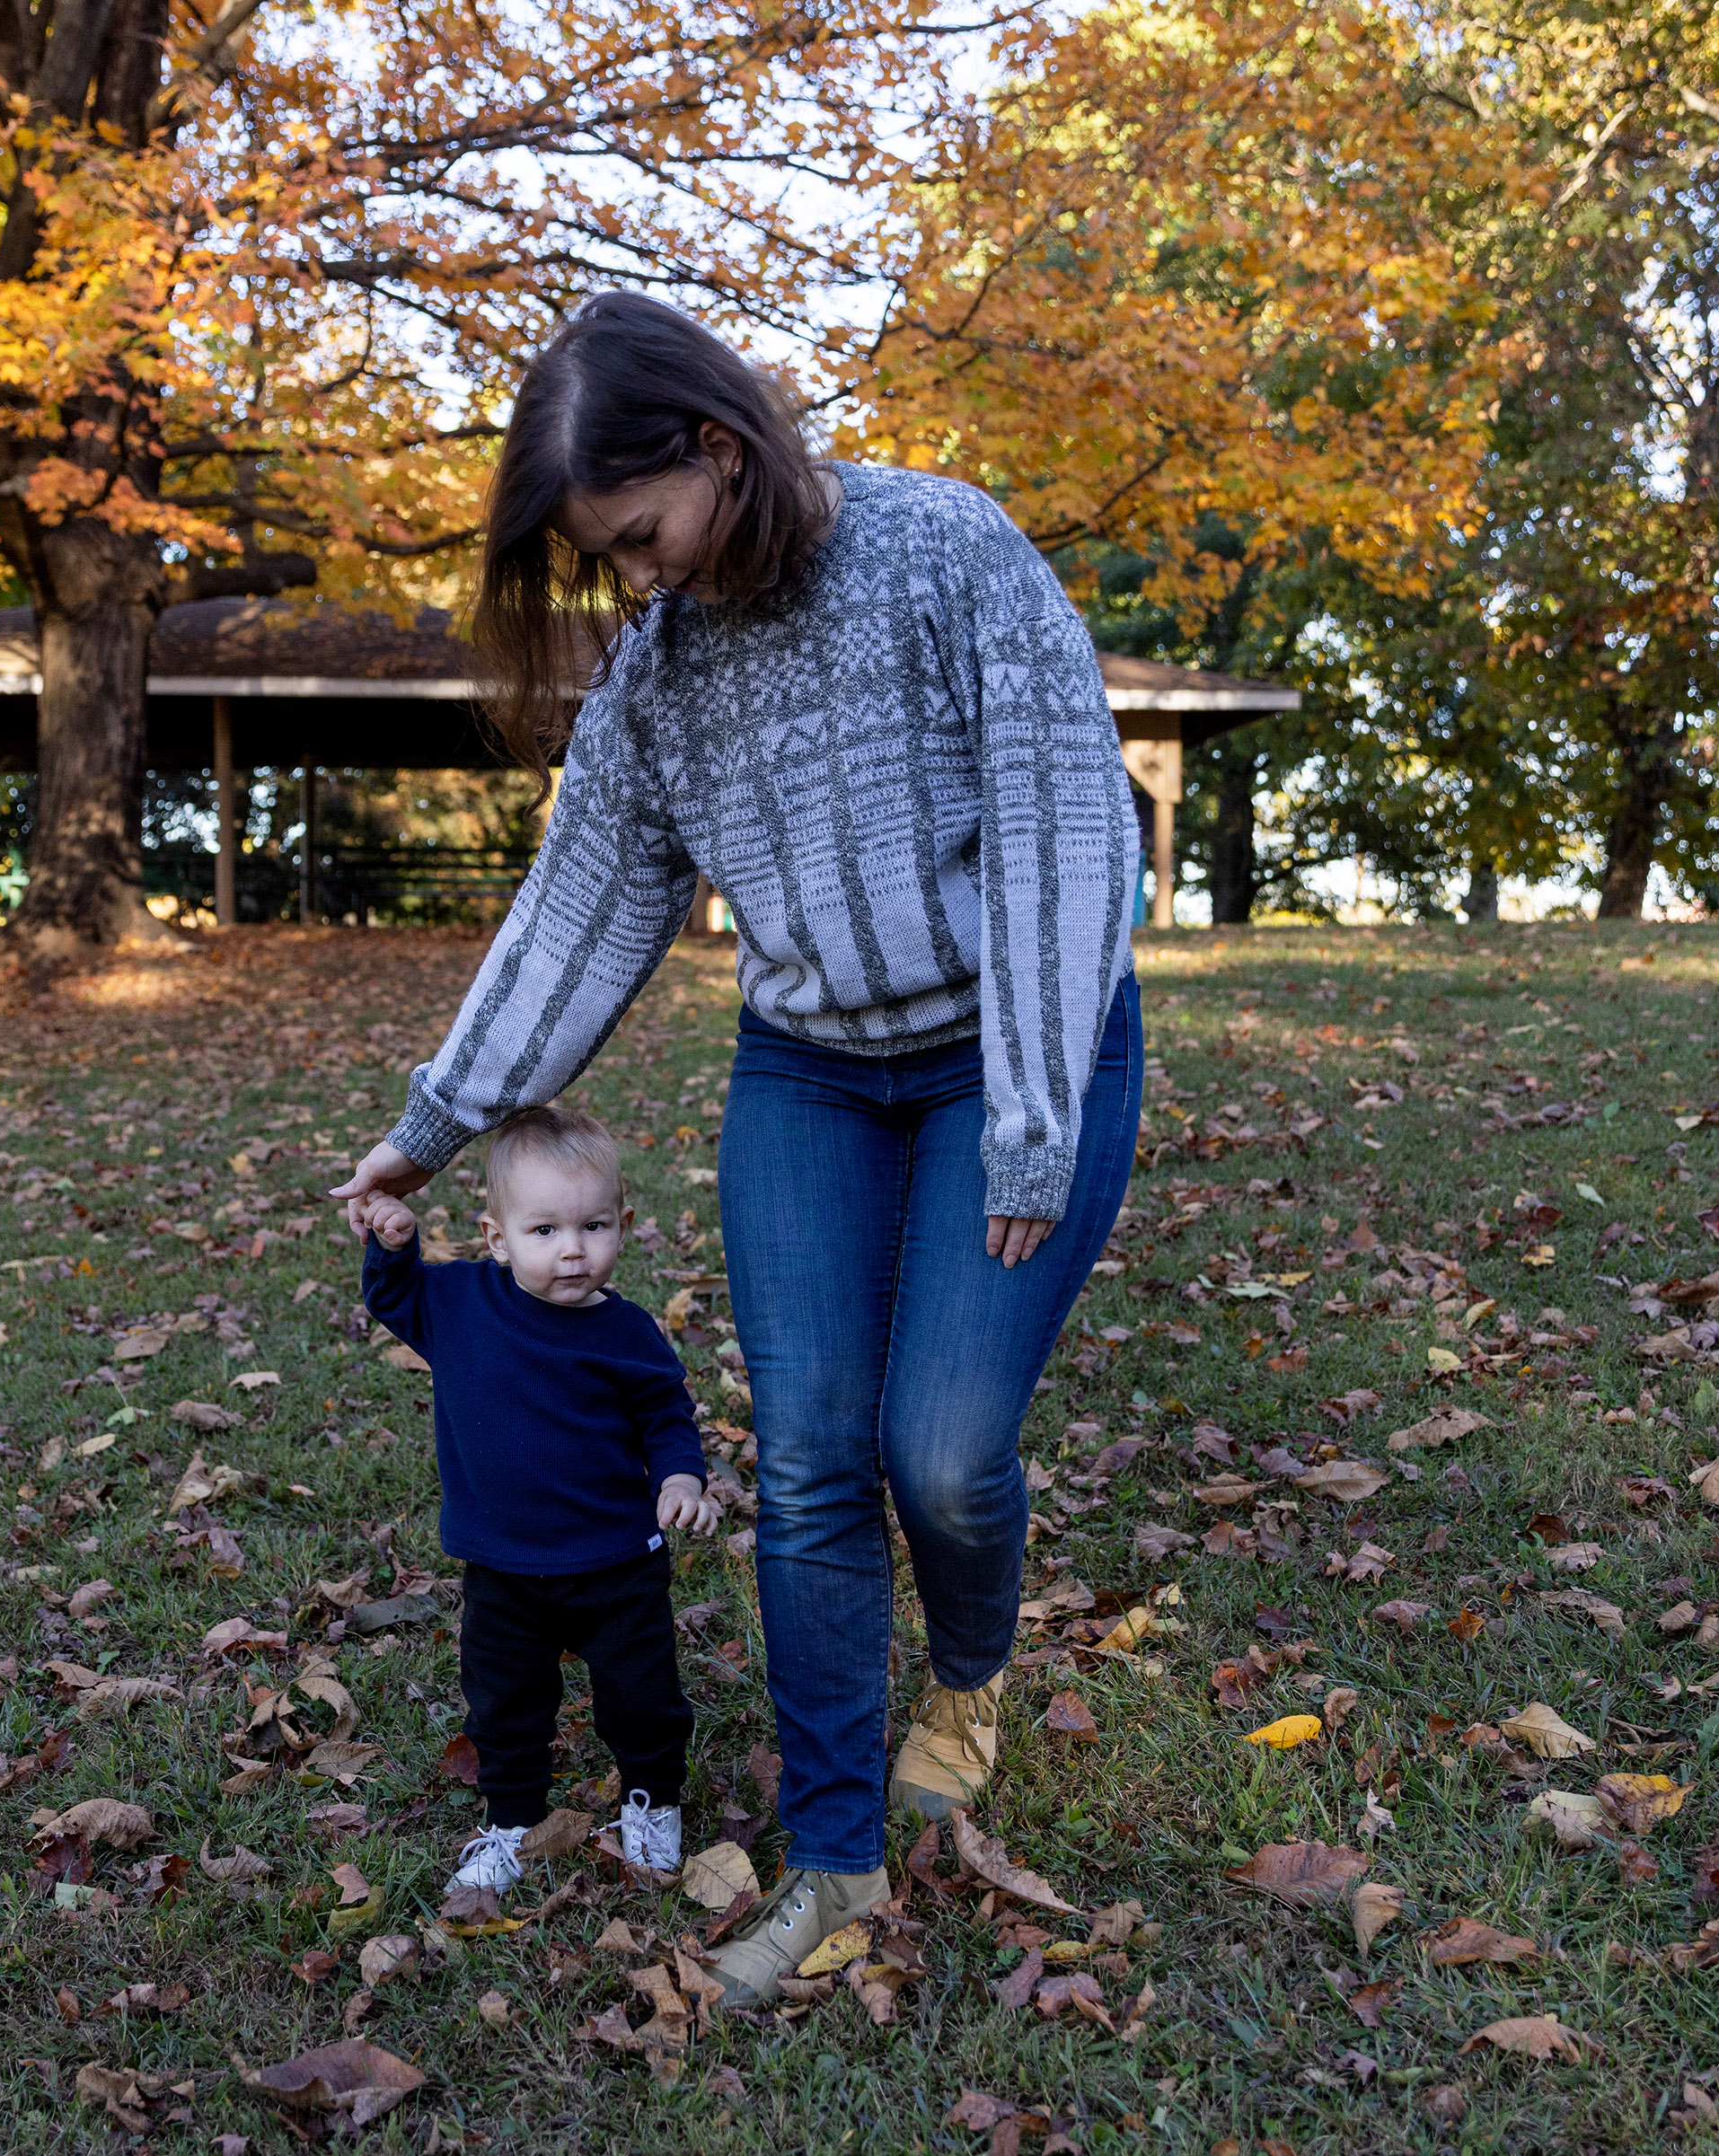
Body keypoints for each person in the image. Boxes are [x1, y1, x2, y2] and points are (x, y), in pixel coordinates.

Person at [331, 293, 1142, 2010]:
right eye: (604, 559)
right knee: (817, 1463)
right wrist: (430, 1130)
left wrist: (1031, 1115)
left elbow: (1068, 822)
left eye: (641, 535)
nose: (634, 580)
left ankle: (970, 1676)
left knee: (942, 1453)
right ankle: (836, 1861)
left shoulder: (947, 551)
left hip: (1017, 1049)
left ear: (720, 449)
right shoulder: (660, 675)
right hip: (813, 1076)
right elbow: (580, 912)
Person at [353, 1102, 720, 1894]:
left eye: (594, 1227)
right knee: (504, 1703)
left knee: (642, 1696)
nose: (572, 1249)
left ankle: (652, 1800)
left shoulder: (629, 1333)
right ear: (497, 1238)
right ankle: (513, 1819)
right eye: (545, 1230)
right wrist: (393, 1245)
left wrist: (681, 1479)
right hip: (504, 1565)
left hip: (617, 1561)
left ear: (623, 1226)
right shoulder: (460, 1307)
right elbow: (394, 1298)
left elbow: (666, 1416)